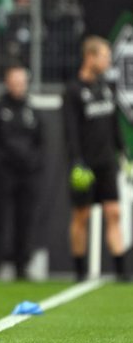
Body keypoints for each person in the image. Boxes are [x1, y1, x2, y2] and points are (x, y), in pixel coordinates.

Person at [63, 36, 128, 281]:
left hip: (106, 162)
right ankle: (80, 272)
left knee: (114, 213)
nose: (108, 60)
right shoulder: (73, 90)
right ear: (90, 57)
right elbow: (70, 130)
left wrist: (124, 154)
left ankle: (122, 273)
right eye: (104, 56)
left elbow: (114, 125)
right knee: (82, 216)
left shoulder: (106, 88)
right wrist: (77, 161)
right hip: (85, 165)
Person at [0, 65, 43, 279]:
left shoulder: (32, 110)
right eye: (14, 82)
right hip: (5, 174)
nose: (18, 86)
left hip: (28, 174)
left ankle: (22, 265)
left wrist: (34, 163)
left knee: (25, 219)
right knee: (0, 219)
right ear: (7, 83)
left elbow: (41, 142)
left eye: (21, 82)